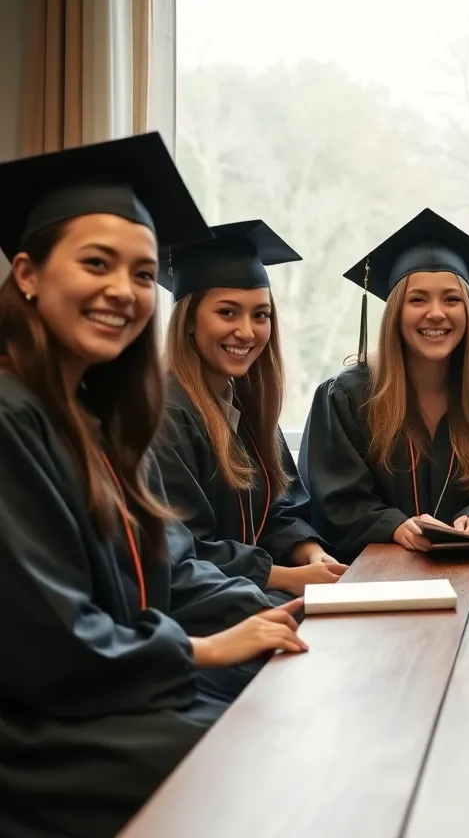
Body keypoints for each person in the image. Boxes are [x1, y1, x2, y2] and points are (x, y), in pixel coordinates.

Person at [0, 134, 307, 837]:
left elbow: (167, 563)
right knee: (270, 756)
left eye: (142, 274)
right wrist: (201, 649)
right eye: (97, 264)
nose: (123, 291)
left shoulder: (94, 416)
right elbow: (50, 641)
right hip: (41, 732)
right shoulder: (11, 417)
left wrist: (271, 611)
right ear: (27, 273)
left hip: (113, 685)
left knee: (284, 699)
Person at [300, 209, 469, 562]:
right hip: (375, 575)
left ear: (468, 312)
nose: (436, 313)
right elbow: (335, 499)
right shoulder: (347, 397)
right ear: (395, 312)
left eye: (451, 299)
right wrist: (393, 525)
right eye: (418, 299)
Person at [155, 220, 347, 602]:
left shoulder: (244, 408)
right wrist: (285, 578)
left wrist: (312, 555)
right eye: (228, 313)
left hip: (249, 592)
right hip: (200, 609)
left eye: (260, 315)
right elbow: (181, 547)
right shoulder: (164, 415)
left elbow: (277, 509)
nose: (247, 331)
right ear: (189, 319)